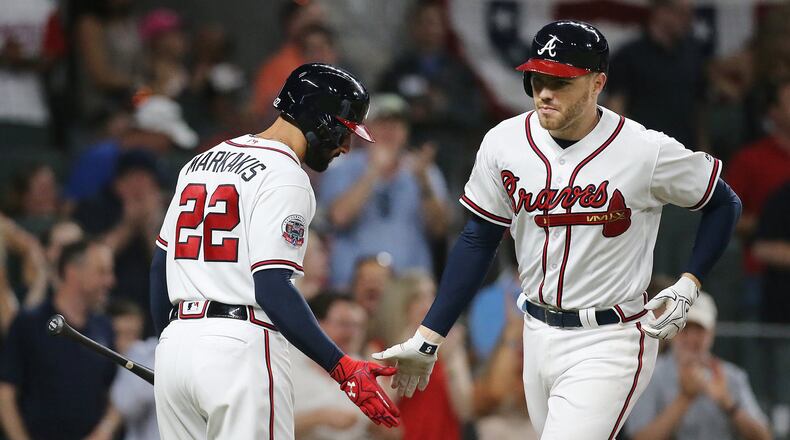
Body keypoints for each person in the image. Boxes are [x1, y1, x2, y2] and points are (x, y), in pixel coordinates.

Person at [373, 20, 742, 439]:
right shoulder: (504, 142)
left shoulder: (644, 150)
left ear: (597, 83)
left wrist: (690, 282)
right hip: (536, 331)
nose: (544, 91)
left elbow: (724, 202)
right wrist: (428, 335)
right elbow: (479, 238)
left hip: (611, 336)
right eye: (536, 78)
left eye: (561, 81)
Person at [149, 63, 400, 439]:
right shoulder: (286, 174)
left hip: (175, 345)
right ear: (319, 119)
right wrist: (341, 367)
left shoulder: (200, 162)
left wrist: (171, 345)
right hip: (239, 348)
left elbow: (159, 269)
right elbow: (272, 286)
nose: (346, 147)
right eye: (344, 132)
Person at [320, 93, 449, 287]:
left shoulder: (425, 171)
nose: (390, 131)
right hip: (352, 286)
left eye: (397, 124)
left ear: (406, 131)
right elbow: (339, 217)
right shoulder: (342, 166)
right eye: (382, 123)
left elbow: (440, 230)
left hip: (407, 292)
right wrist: (374, 171)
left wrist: (423, 183)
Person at [0, 239, 120, 440]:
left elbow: (117, 390)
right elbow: (6, 393)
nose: (111, 281)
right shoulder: (28, 323)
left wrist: (105, 430)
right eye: (102, 272)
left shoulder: (104, 326)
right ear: (73, 271)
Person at [625, 292, 771, 440]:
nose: (692, 338)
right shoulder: (649, 374)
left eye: (699, 329)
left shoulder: (733, 376)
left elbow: (764, 436)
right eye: (684, 328)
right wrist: (685, 398)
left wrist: (728, 403)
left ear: (711, 333)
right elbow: (639, 437)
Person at [292, 292, 395, 440]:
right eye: (344, 324)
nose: (352, 333)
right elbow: (269, 426)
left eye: (358, 326)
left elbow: (391, 432)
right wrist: (319, 417)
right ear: (315, 324)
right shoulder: (288, 366)